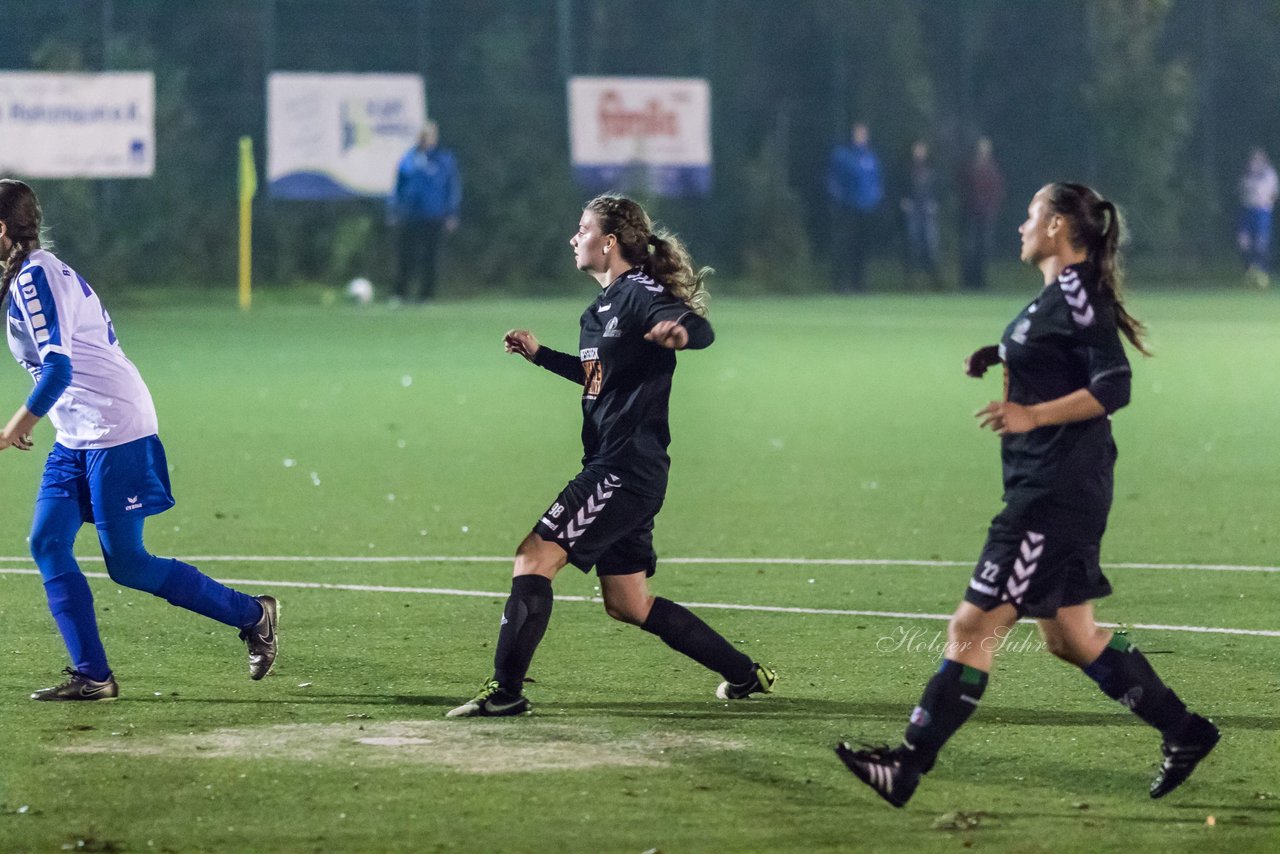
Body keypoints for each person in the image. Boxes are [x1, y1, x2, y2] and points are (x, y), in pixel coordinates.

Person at [836, 182, 1218, 806]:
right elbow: (1061, 351)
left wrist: (1032, 416)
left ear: (1060, 225)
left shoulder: (1077, 289)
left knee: (971, 626)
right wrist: (1001, 353)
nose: (1021, 225)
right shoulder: (1056, 295)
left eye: (1032, 214)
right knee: (1070, 635)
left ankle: (906, 765)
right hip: (1058, 484)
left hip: (1053, 491)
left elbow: (1113, 383)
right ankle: (1186, 731)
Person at [447, 194, 776, 717]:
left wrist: (682, 332)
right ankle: (743, 673)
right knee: (629, 604)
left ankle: (505, 693)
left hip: (622, 468)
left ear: (609, 242)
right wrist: (540, 356)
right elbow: (596, 377)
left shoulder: (640, 294)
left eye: (582, 229)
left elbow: (700, 328)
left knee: (533, 557)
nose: (573, 238)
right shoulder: (597, 311)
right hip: (623, 468)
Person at [0, 179, 279, 701]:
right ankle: (94, 676)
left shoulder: (34, 278)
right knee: (46, 542)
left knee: (127, 563)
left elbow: (57, 369)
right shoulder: (25, 275)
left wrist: (18, 425)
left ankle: (253, 614)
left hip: (114, 427)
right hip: (78, 432)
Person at [388, 120, 461, 302]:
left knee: (431, 257)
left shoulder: (444, 160)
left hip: (434, 215)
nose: (424, 140)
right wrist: (394, 210)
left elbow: (451, 188)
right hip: (410, 215)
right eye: (422, 136)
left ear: (434, 138)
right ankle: (400, 293)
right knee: (407, 257)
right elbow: (399, 187)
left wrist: (451, 213)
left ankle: (426, 295)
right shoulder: (408, 159)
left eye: (428, 136)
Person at [827, 122, 884, 293]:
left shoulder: (871, 157)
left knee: (863, 248)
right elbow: (832, 179)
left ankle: (860, 284)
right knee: (846, 247)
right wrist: (838, 198)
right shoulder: (843, 156)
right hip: (848, 208)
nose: (861, 137)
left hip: (867, 210)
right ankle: (842, 284)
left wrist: (876, 198)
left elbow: (877, 181)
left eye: (863, 134)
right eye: (858, 134)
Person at [959, 136, 1005, 290]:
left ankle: (981, 281)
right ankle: (968, 281)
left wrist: (992, 208)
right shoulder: (971, 167)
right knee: (970, 248)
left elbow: (997, 191)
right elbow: (964, 190)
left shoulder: (993, 169)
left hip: (987, 214)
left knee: (984, 249)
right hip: (972, 213)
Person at [899, 140, 943, 290]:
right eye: (917, 149)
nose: (919, 152)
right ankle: (912, 281)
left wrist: (935, 202)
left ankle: (934, 282)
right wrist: (904, 200)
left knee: (931, 246)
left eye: (921, 149)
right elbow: (900, 187)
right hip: (912, 211)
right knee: (913, 245)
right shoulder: (906, 168)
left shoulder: (932, 168)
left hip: (927, 211)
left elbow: (938, 187)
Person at [1236, 147, 1278, 288]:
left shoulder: (1269, 175)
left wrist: (1266, 202)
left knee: (1261, 243)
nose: (1255, 161)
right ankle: (1249, 271)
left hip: (1262, 212)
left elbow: (1274, 193)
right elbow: (1242, 191)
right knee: (1243, 242)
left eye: (1258, 159)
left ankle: (1263, 272)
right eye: (1253, 159)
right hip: (1247, 210)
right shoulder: (1247, 175)